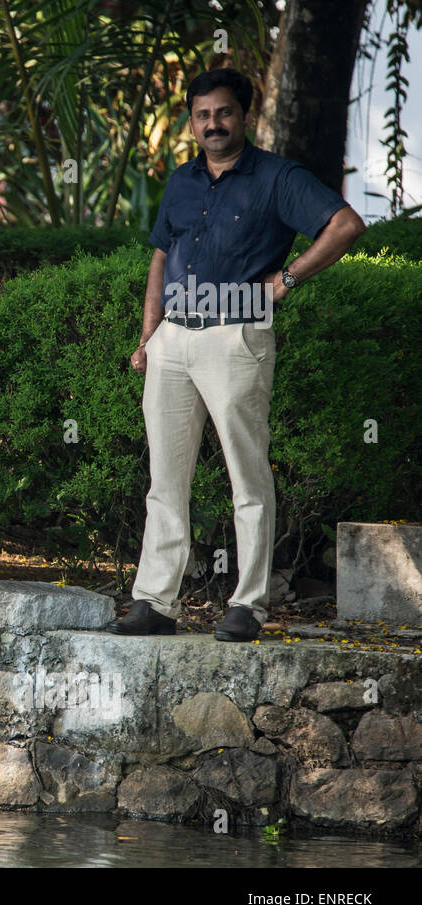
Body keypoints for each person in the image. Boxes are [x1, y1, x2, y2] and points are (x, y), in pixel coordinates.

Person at [105, 68, 365, 642]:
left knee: (246, 474)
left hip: (237, 336)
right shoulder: (181, 180)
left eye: (223, 112)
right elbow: (158, 260)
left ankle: (248, 603)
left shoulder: (278, 177)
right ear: (191, 121)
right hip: (173, 337)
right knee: (164, 479)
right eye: (202, 115)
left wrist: (288, 281)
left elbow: (345, 224)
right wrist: (148, 337)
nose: (213, 124)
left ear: (243, 115)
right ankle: (155, 602)